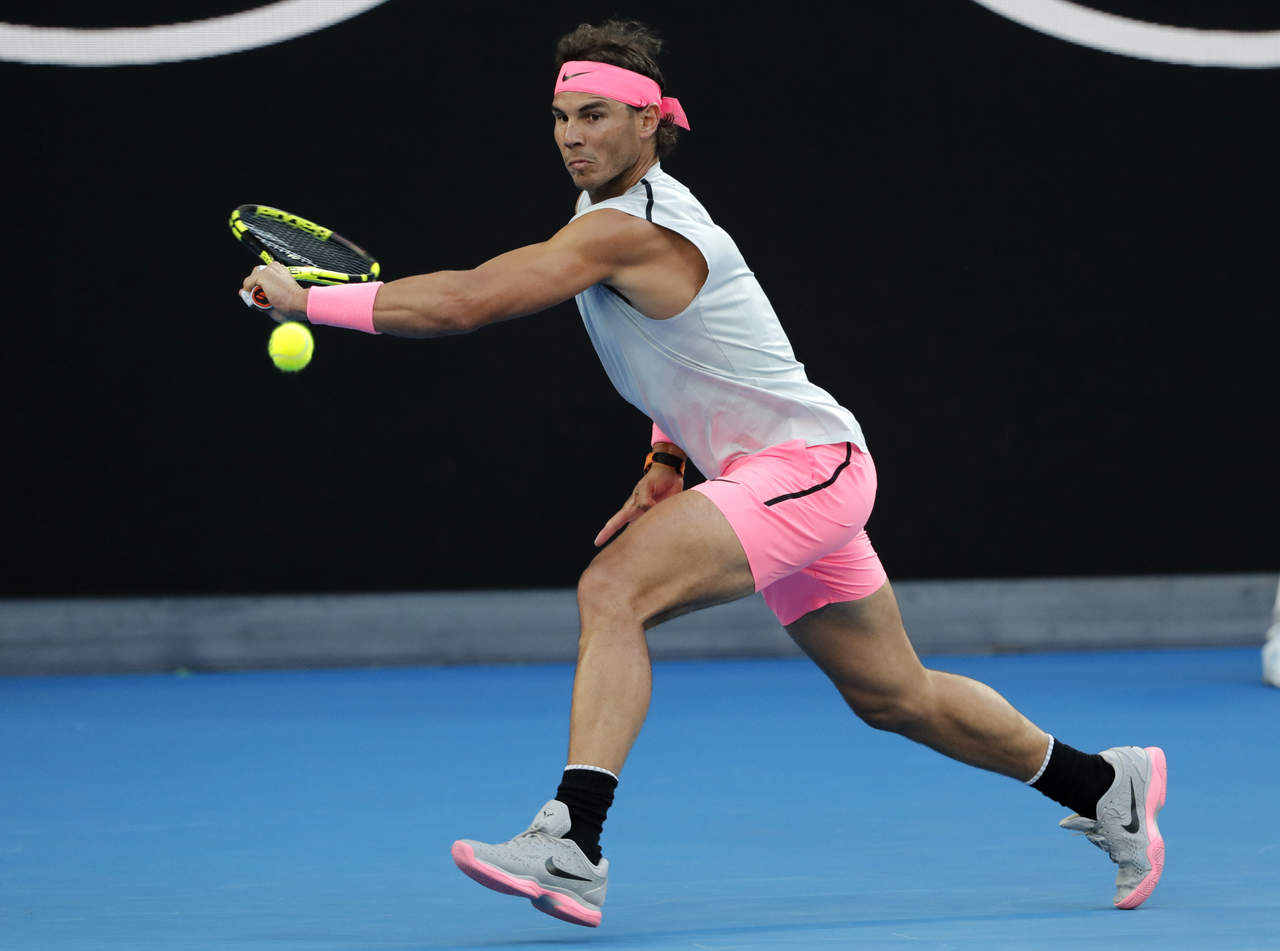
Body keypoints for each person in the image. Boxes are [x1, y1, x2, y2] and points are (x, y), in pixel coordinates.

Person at [239, 19, 1167, 929]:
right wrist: (665, 457)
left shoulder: (626, 231)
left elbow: (468, 301)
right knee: (895, 694)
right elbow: (693, 359)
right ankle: (1103, 784)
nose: (571, 136)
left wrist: (312, 301)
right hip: (775, 475)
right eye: (561, 118)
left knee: (614, 590)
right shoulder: (611, 219)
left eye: (595, 116)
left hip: (806, 466)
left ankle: (574, 840)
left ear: (649, 121)